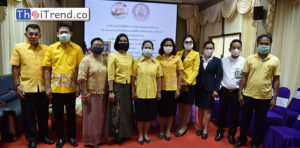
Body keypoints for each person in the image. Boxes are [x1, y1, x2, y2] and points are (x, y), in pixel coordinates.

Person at [9, 24, 54, 148]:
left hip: (43, 88)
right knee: (28, 116)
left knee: (44, 115)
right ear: (26, 35)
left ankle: (44, 136)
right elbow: (14, 68)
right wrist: (17, 86)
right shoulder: (19, 48)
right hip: (26, 88)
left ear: (40, 35)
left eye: (35, 34)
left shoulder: (46, 49)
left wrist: (49, 87)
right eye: (30, 34)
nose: (33, 36)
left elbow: (49, 69)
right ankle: (32, 138)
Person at [234, 34, 280, 148]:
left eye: (266, 44)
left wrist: (275, 98)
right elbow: (244, 77)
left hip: (264, 97)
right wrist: (240, 93)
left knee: (260, 122)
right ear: (257, 44)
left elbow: (276, 80)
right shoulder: (250, 59)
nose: (264, 45)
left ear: (270, 45)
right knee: (245, 120)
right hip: (248, 95)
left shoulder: (275, 60)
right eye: (262, 43)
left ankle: (255, 142)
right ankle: (242, 139)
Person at [42, 22, 84, 148]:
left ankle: (72, 137)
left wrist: (78, 86)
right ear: (57, 34)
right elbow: (47, 69)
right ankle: (60, 137)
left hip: (71, 88)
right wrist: (48, 87)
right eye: (61, 33)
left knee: (71, 115)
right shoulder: (51, 48)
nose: (64, 34)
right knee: (58, 115)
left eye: (66, 32)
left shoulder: (77, 49)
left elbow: (80, 69)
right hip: (56, 89)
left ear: (71, 34)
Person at [131, 40, 163, 145]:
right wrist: (133, 91)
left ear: (153, 49)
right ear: (142, 49)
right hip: (140, 94)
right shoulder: (137, 62)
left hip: (152, 94)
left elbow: (159, 78)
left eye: (150, 48)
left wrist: (159, 92)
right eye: (146, 47)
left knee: (149, 116)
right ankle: (140, 134)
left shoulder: (156, 63)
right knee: (140, 117)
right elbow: (133, 78)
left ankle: (146, 133)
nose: (148, 49)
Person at [105, 33, 134, 144]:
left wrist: (132, 90)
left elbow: (132, 74)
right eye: (121, 41)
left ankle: (124, 133)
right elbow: (110, 75)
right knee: (116, 112)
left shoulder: (130, 56)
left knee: (126, 112)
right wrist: (111, 91)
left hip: (127, 87)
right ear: (117, 42)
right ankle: (116, 135)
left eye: (125, 41)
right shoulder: (113, 56)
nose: (123, 42)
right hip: (117, 86)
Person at [78, 37, 107, 146]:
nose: (98, 47)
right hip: (90, 94)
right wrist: (85, 93)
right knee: (90, 118)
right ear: (91, 47)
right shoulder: (86, 60)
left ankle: (100, 139)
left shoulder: (104, 60)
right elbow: (81, 78)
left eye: (100, 45)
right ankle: (91, 141)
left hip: (102, 94)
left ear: (103, 47)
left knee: (101, 118)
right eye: (95, 45)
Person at [215, 39, 245, 144]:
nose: (236, 49)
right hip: (224, 91)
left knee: (234, 114)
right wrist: (217, 89)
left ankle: (231, 134)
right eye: (234, 47)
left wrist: (241, 93)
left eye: (238, 48)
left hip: (237, 92)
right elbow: (219, 76)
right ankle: (219, 132)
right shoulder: (223, 61)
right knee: (221, 113)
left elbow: (245, 78)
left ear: (241, 49)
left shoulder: (244, 62)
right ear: (229, 49)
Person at [156, 38, 183, 141]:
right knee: (162, 112)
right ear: (162, 46)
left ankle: (168, 130)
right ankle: (161, 129)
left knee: (171, 112)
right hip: (161, 89)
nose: (168, 47)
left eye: (170, 45)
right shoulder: (158, 58)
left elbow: (180, 75)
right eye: (166, 45)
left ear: (173, 47)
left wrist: (178, 89)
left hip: (173, 89)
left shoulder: (177, 58)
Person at [195, 41, 222, 139]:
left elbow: (219, 76)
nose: (209, 50)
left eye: (211, 48)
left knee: (207, 109)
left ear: (213, 49)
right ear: (203, 49)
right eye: (207, 48)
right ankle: (200, 126)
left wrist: (216, 90)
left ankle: (205, 128)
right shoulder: (199, 59)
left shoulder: (217, 61)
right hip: (199, 88)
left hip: (210, 89)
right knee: (200, 108)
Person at [175, 34, 200, 137]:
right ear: (183, 43)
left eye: (190, 42)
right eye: (186, 42)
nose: (188, 44)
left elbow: (195, 70)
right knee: (180, 106)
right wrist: (179, 83)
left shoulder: (196, 54)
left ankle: (184, 126)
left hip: (190, 84)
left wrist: (187, 83)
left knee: (187, 107)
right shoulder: (178, 53)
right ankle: (180, 124)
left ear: (193, 43)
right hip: (179, 83)